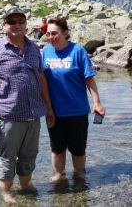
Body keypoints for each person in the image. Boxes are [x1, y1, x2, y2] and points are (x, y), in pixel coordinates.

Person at [0, 6, 55, 204]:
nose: (17, 25)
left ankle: (26, 185)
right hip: (9, 114)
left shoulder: (33, 48)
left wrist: (48, 108)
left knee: (29, 155)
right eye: (11, 22)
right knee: (7, 157)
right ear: (4, 25)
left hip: (33, 113)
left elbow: (40, 77)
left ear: (26, 24)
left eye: (20, 21)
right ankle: (6, 191)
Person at [41, 17, 106, 181]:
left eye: (54, 33)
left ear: (65, 33)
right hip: (54, 111)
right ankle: (57, 176)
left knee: (78, 149)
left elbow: (89, 77)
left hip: (77, 110)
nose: (50, 37)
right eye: (48, 34)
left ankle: (79, 175)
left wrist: (96, 102)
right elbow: (41, 81)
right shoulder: (46, 52)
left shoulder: (77, 51)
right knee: (57, 148)